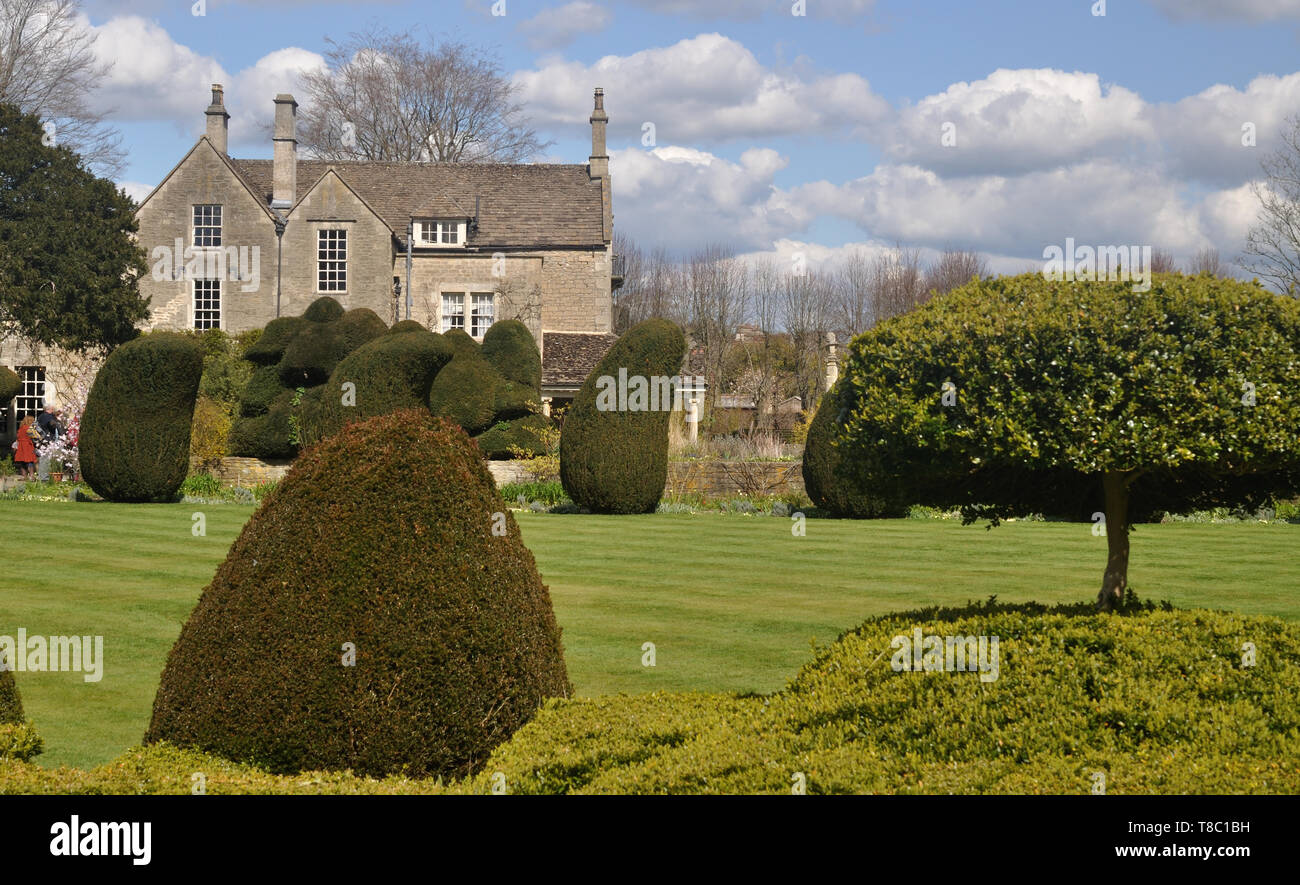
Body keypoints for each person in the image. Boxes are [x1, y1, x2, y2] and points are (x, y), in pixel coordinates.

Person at [13, 415, 39, 480]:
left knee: (22, 462)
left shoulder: (21, 428)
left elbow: (18, 437)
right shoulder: (29, 428)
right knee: (30, 461)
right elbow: (36, 437)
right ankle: (32, 476)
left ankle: (24, 477)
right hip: (28, 446)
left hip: (21, 446)